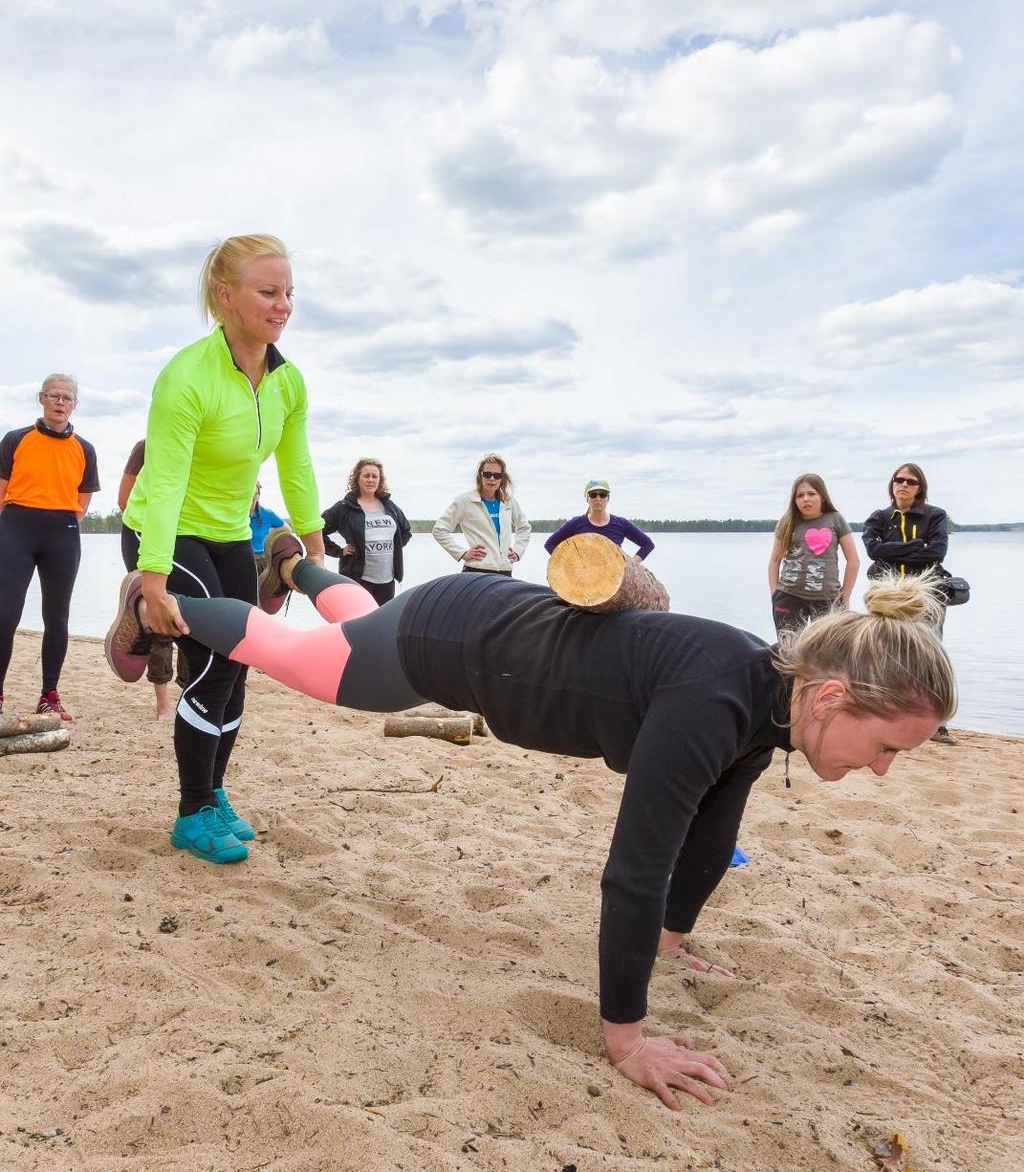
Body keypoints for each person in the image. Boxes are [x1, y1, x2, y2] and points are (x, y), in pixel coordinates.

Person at [106, 542, 955, 1109]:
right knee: (299, 659)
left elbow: (713, 820)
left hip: (477, 611)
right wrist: (627, 1041)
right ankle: (161, 609)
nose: (881, 770)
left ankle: (294, 569)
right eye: (886, 748)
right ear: (835, 695)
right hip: (454, 643)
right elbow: (634, 867)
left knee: (354, 622)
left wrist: (672, 936)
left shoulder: (769, 695)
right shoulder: (713, 700)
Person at [112, 233, 326, 864]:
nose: (283, 304)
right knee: (215, 662)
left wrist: (313, 545)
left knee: (243, 660)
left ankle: (211, 792)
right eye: (269, 291)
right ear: (225, 296)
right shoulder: (186, 377)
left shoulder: (287, 382)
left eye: (289, 291)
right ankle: (191, 811)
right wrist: (152, 578)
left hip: (230, 531)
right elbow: (168, 478)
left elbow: (297, 463)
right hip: (165, 526)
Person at [0, 374, 100, 720]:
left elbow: (83, 499)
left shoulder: (84, 448)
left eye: (67, 397)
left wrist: (65, 519)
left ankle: (49, 695)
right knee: (5, 615)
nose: (60, 402)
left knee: (57, 618)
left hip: (62, 532)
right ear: (41, 399)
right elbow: (2, 489)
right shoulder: (15, 440)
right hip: (17, 527)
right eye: (54, 396)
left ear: (75, 404)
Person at [862, 462, 955, 745]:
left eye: (911, 481)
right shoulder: (879, 517)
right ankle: (887, 712)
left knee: (929, 653)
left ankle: (938, 723)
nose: (904, 484)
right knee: (886, 651)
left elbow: (936, 553)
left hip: (926, 595)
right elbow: (873, 550)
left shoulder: (935, 516)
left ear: (920, 487)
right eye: (898, 479)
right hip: (888, 596)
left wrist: (892, 553)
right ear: (891, 485)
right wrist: (917, 546)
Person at [118, 439, 188, 720]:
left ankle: (186, 695)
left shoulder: (206, 445)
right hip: (145, 535)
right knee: (162, 623)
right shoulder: (145, 447)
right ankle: (163, 705)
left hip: (189, 538)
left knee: (189, 619)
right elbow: (124, 501)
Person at [768, 473, 859, 637]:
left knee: (828, 654)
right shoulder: (787, 521)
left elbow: (853, 561)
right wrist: (775, 594)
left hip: (828, 599)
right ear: (794, 500)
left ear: (822, 497)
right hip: (789, 596)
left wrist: (845, 596)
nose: (805, 499)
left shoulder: (835, 520)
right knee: (790, 653)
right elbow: (775, 561)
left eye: (811, 494)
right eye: (800, 495)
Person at [321, 458, 412, 605]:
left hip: (387, 580)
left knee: (383, 624)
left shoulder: (389, 506)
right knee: (359, 622)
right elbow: (318, 531)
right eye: (366, 476)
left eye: (374, 476)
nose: (370, 480)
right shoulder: (345, 507)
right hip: (358, 578)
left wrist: (393, 549)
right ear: (357, 478)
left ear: (380, 480)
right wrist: (339, 551)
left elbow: (406, 531)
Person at [433, 453, 530, 576]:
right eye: (487, 474)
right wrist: (462, 553)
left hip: (505, 571)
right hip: (476, 571)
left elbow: (524, 527)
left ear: (502, 478)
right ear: (480, 475)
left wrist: (517, 551)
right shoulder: (465, 501)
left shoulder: (508, 501)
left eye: (497, 475)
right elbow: (439, 530)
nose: (492, 479)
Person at [544, 479, 655, 559]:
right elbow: (549, 544)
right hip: (583, 581)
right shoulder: (576, 523)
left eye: (602, 495)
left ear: (608, 499)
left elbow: (648, 544)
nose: (598, 499)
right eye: (593, 495)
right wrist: (568, 563)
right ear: (587, 499)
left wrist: (631, 566)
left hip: (613, 582)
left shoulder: (621, 524)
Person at [249, 482, 285, 572]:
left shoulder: (267, 514)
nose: (253, 497)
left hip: (264, 562)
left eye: (256, 493)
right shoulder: (236, 516)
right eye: (250, 492)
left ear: (258, 496)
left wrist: (269, 533)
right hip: (243, 562)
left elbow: (286, 529)